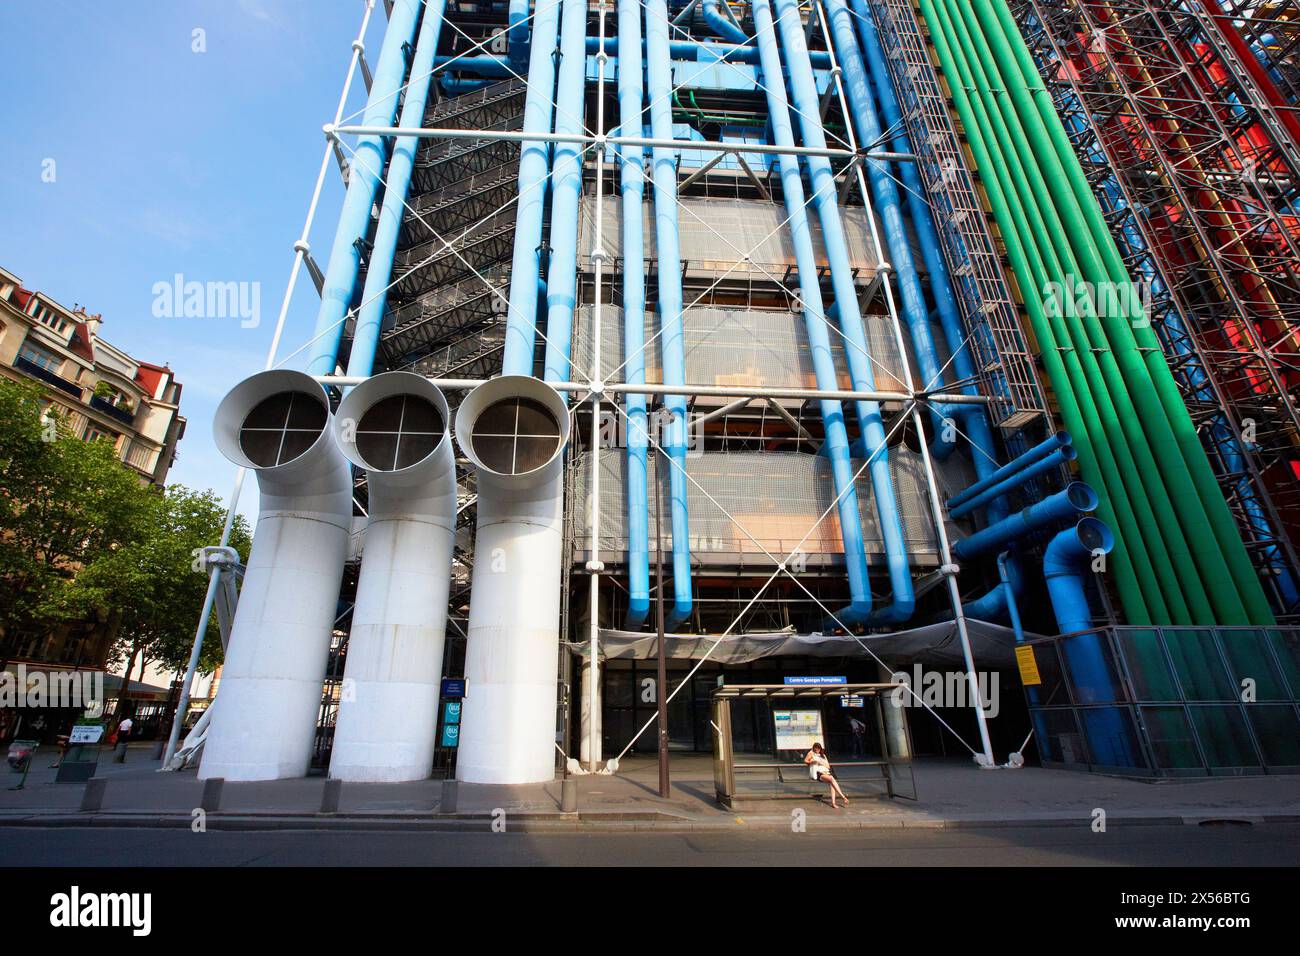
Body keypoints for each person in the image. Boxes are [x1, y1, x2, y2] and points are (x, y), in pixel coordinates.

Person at [804, 741, 849, 808]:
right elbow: (805, 761)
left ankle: (833, 803)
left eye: (818, 749)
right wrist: (812, 761)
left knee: (832, 783)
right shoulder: (811, 753)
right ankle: (843, 797)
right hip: (818, 773)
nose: (817, 750)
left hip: (826, 772)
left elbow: (828, 766)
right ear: (814, 748)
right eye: (816, 749)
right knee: (831, 779)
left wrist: (821, 763)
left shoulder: (823, 755)